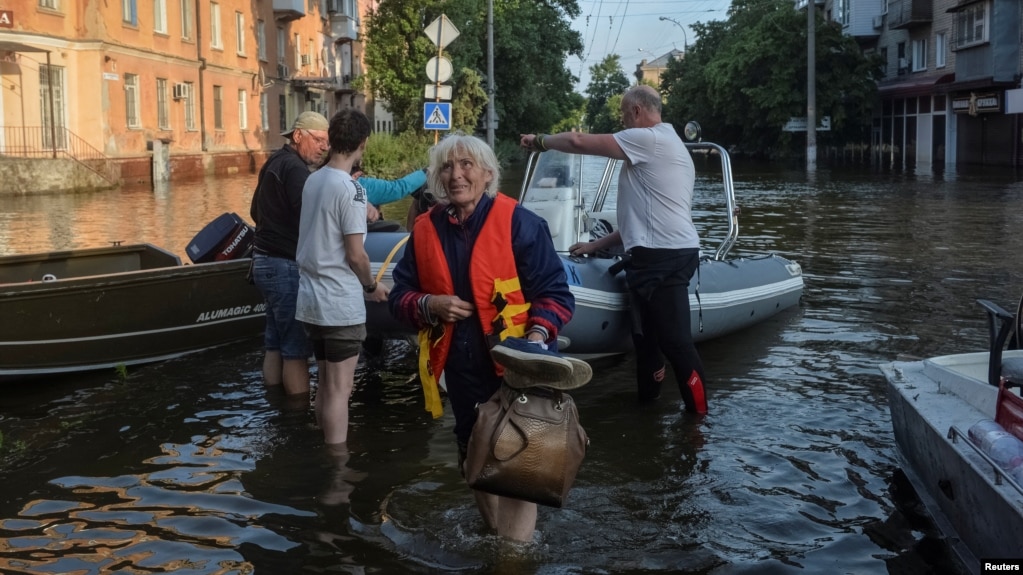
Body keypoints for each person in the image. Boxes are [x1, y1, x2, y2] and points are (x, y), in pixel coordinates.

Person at [388, 133, 576, 542]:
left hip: (517, 368)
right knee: (474, 462)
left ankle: (513, 556)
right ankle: (495, 538)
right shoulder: (424, 230)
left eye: (467, 165)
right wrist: (429, 304)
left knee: (515, 466)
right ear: (437, 178)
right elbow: (399, 298)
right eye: (447, 167)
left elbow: (557, 295)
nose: (457, 175)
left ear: (488, 173)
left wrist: (539, 335)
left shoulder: (521, 224)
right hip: (459, 369)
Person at [519, 84, 708, 414]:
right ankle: (648, 411)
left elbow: (579, 142)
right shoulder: (667, 144)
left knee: (676, 344)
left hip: (665, 257)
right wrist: (596, 244)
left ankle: (701, 424)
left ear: (636, 111)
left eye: (623, 114)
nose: (622, 121)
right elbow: (643, 221)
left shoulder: (649, 139)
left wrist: (540, 141)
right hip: (655, 254)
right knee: (646, 342)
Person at [296, 108, 389, 446]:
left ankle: (322, 451)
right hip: (339, 303)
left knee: (325, 383)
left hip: (310, 300)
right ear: (363, 143)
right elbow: (355, 255)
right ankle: (337, 469)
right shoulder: (351, 190)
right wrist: (372, 286)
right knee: (340, 390)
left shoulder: (313, 180)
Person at [250, 111, 331, 396]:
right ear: (298, 136)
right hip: (285, 267)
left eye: (327, 142)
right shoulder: (296, 170)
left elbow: (253, 212)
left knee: (274, 344)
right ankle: (297, 420)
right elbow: (307, 219)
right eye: (319, 139)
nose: (324, 147)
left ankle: (274, 407)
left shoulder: (273, 161)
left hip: (263, 263)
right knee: (296, 351)